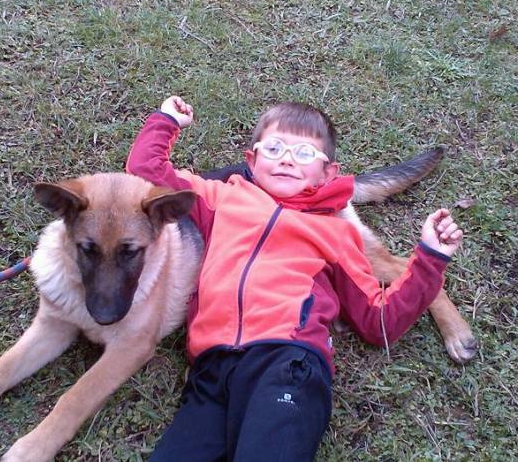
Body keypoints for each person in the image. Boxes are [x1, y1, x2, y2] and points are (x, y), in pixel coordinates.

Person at [126, 96, 463, 462]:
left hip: (286, 362)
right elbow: (145, 174)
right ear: (251, 161)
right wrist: (166, 120)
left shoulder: (334, 232)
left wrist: (430, 260)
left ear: (328, 173)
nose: (286, 159)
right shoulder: (220, 199)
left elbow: (379, 321)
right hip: (211, 371)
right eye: (274, 149)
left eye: (304, 153)